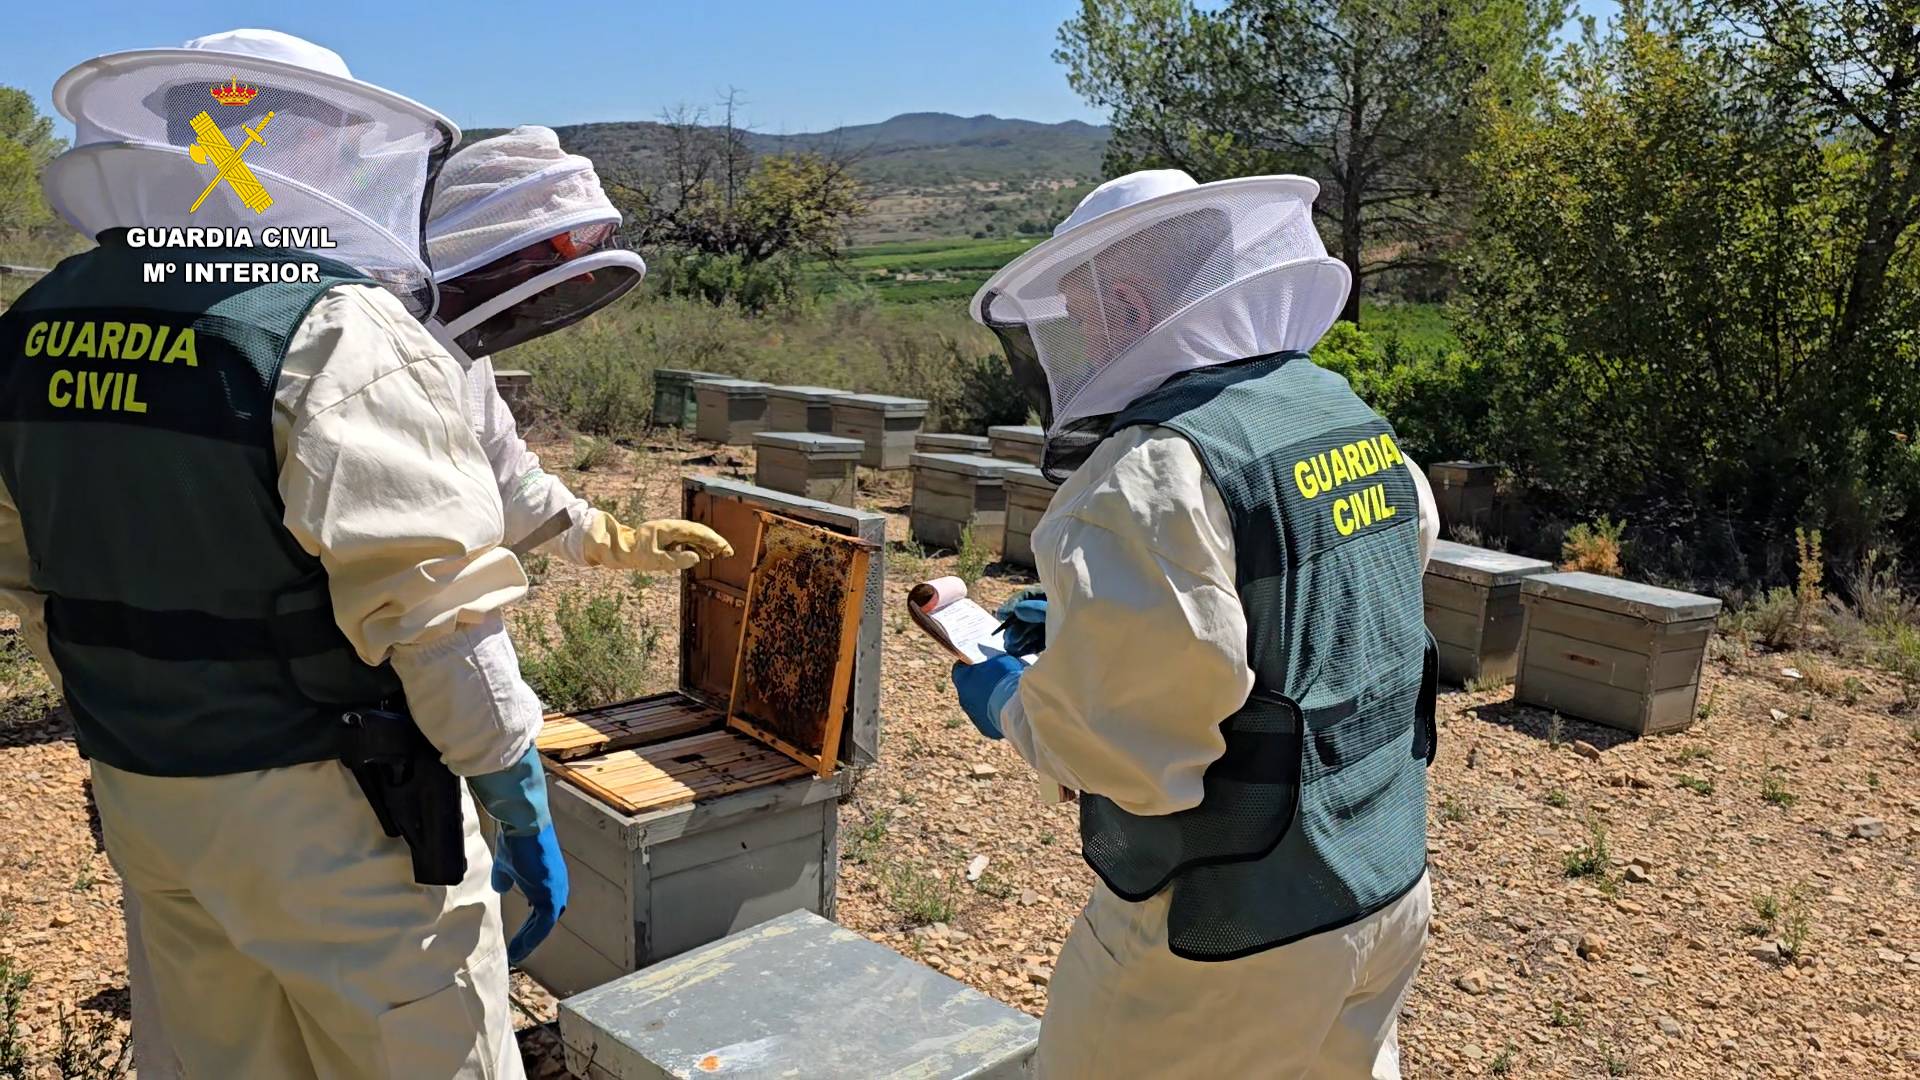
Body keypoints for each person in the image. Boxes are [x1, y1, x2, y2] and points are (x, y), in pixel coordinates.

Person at [0, 28, 713, 1078]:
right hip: (329, 809)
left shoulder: (42, 318)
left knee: (217, 1058)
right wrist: (510, 785)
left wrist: (124, 721)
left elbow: (32, 579)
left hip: (148, 790)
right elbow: (441, 616)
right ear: (313, 150)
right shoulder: (325, 323)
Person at [949, 169, 1442, 1079]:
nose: (1079, 340)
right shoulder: (1347, 418)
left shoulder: (1150, 473)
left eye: (1082, 314)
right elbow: (1332, 609)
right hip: (1383, 888)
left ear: (1130, 304)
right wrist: (1092, 629)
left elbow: (1134, 757)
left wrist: (1016, 701)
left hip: (1230, 931)